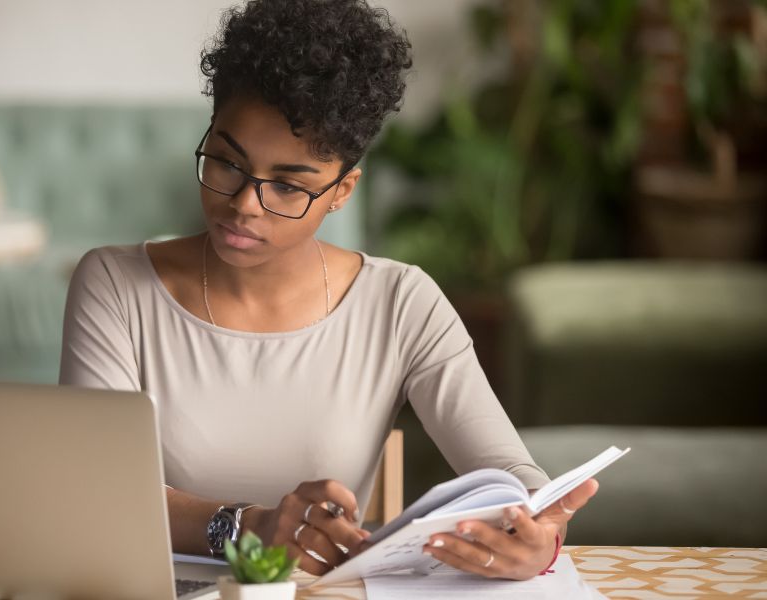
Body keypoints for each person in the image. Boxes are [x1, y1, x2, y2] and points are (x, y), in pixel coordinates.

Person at [59, 0, 598, 581]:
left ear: (342, 191)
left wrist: (538, 532)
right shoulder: (115, 286)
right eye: (225, 162)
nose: (243, 204)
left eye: (290, 186)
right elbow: (96, 487)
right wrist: (248, 528)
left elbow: (510, 472)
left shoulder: (401, 304)